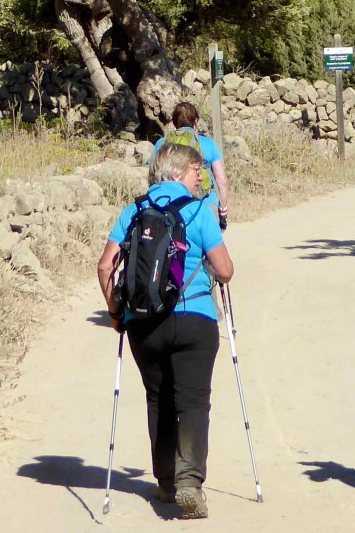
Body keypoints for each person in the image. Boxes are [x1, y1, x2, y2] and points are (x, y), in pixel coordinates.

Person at [97, 142, 235, 519]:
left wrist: (115, 312)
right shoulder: (199, 211)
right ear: (176, 173)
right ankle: (189, 482)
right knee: (192, 402)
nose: (199, 179)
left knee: (159, 399)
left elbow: (105, 267)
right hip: (195, 319)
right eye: (195, 172)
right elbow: (224, 270)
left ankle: (166, 482)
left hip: (145, 323)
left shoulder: (134, 210)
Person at [154, 102, 233, 229]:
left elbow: (153, 177)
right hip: (206, 202)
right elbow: (222, 181)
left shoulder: (161, 144)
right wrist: (223, 211)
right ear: (196, 121)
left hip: (170, 205)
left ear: (174, 122)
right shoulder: (208, 143)